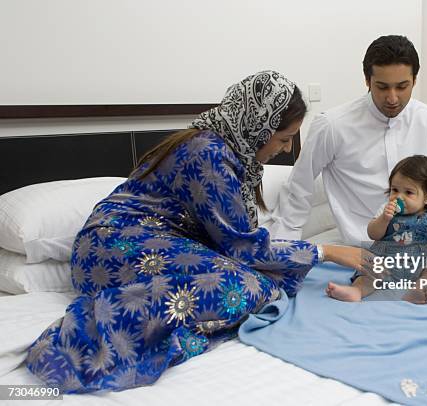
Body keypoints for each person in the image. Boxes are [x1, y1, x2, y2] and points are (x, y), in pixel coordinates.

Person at [26, 71, 363, 393]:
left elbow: (238, 239)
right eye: (284, 139)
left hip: (156, 243)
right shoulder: (207, 155)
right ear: (259, 128)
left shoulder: (228, 155)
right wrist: (326, 252)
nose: (286, 150)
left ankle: (173, 326)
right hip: (112, 245)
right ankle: (105, 332)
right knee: (250, 286)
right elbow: (243, 249)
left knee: (264, 283)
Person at [269, 35, 427, 244]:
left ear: (415, 81)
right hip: (366, 243)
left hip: (425, 235)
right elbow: (299, 187)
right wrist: (282, 251)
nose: (392, 98)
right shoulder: (333, 126)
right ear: (367, 80)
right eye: (382, 87)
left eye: (402, 87)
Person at [326, 155, 427, 303]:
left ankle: (420, 289)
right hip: (387, 262)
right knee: (369, 270)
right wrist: (384, 219)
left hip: (419, 265)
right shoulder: (385, 211)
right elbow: (373, 234)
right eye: (395, 190)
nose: (399, 197)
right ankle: (356, 290)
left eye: (409, 192)